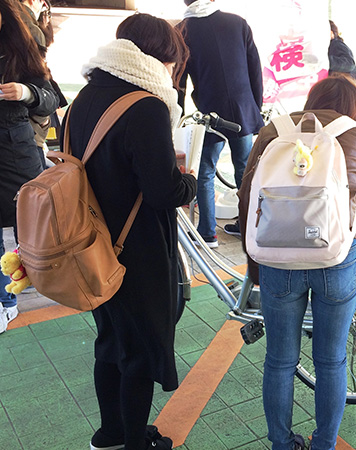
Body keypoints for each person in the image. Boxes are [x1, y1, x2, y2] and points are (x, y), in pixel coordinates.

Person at [66, 13, 196, 450]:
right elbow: (162, 191)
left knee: (110, 341)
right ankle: (135, 442)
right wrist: (189, 182)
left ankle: (111, 433)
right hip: (135, 249)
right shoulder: (146, 105)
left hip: (90, 243)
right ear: (160, 57)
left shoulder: (85, 96)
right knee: (139, 349)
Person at [238, 75, 356, 450]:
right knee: (331, 360)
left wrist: (255, 264)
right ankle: (324, 444)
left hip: (278, 258)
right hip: (337, 259)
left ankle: (282, 443)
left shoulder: (274, 131)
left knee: (279, 360)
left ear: (312, 100)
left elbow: (247, 197)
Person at [176, 0, 264, 247]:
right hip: (242, 110)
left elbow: (179, 80)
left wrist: (178, 115)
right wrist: (255, 108)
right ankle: (249, 228)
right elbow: (255, 69)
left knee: (205, 171)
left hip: (211, 113)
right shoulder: (237, 23)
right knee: (246, 171)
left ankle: (207, 232)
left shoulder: (183, 30)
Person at [0, 0, 59, 334]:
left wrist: (25, 92)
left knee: (29, 225)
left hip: (16, 149)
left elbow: (50, 98)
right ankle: (5, 301)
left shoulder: (20, 47)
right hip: (18, 146)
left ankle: (30, 282)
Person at [19, 0, 68, 169]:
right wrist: (42, 121)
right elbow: (38, 80)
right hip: (27, 130)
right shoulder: (28, 28)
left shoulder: (16, 22)